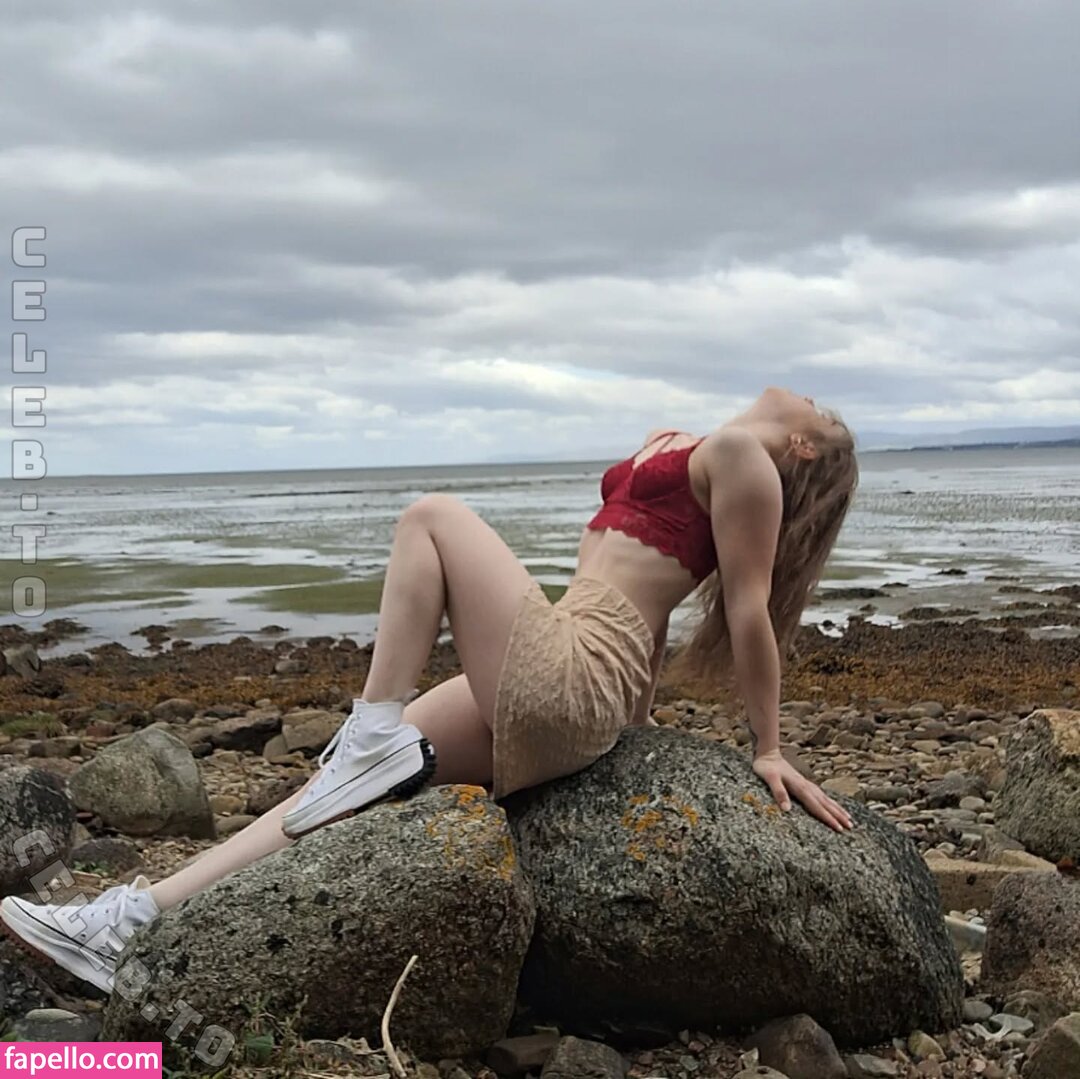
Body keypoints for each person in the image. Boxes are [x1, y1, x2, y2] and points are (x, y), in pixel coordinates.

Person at [1, 386, 859, 995]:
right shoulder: (685, 441)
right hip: (573, 664)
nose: (808, 397)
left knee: (431, 516)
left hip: (576, 670)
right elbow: (654, 607)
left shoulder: (747, 460)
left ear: (804, 448)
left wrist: (768, 748)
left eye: (821, 410)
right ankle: (130, 921)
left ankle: (372, 728)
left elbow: (749, 611)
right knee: (327, 793)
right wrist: (633, 723)